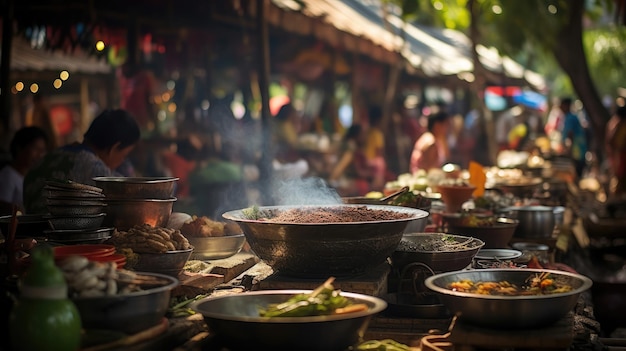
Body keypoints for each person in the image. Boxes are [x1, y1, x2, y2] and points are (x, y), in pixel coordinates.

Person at [23, 109, 141, 214]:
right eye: (124, 155)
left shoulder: (46, 159)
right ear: (114, 148)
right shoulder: (95, 169)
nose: (122, 161)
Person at [0, 127, 48, 215]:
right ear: (19, 148)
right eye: (35, 148)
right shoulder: (8, 176)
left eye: (42, 150)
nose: (40, 155)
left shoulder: (32, 177)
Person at [328, 124, 372, 196]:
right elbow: (342, 165)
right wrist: (332, 180)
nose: (365, 137)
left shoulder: (345, 143)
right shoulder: (351, 146)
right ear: (357, 134)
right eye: (363, 134)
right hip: (342, 181)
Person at [558, 97, 588, 178]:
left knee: (576, 173)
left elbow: (570, 135)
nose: (560, 107)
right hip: (577, 150)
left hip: (577, 150)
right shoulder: (569, 117)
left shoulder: (570, 118)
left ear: (566, 106)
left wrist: (568, 150)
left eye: (562, 105)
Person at [606, 105, 626, 195]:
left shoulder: (614, 123)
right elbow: (611, 140)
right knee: (619, 176)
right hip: (619, 155)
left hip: (618, 154)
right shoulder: (618, 124)